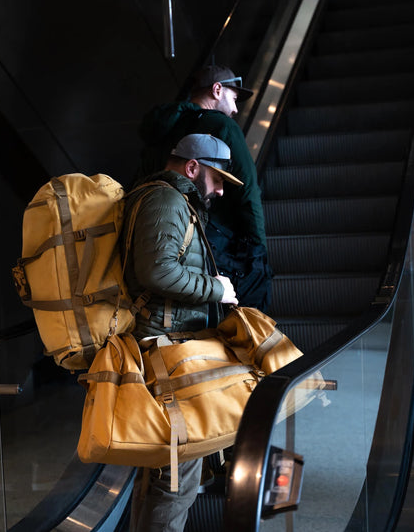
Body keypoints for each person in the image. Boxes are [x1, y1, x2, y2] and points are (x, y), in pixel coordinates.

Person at [123, 133, 240, 532]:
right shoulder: (165, 200)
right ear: (192, 167)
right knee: (177, 479)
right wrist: (217, 288)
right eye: (218, 178)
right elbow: (156, 271)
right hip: (164, 351)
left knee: (165, 476)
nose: (221, 189)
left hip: (169, 348)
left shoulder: (171, 199)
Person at [136, 64, 272, 311]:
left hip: (163, 238)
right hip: (216, 247)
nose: (235, 108)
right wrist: (259, 250)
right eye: (233, 97)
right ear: (217, 90)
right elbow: (247, 191)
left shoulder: (163, 132)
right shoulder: (222, 126)